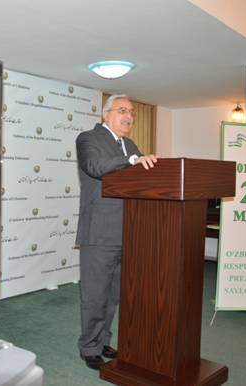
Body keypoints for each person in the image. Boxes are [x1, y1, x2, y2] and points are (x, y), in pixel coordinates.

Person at [75, 94, 158, 370]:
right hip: (99, 232)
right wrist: (132, 159)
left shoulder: (130, 144)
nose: (129, 116)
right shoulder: (88, 139)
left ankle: (102, 341)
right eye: (123, 110)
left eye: (132, 112)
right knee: (95, 294)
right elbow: (96, 168)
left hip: (128, 232)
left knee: (113, 296)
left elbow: (141, 179)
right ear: (106, 114)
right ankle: (89, 347)